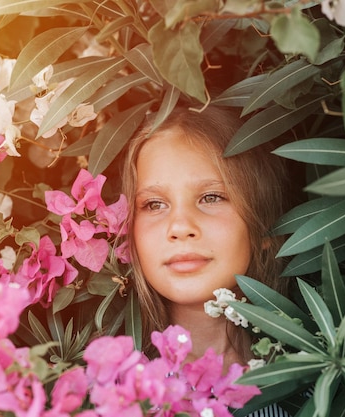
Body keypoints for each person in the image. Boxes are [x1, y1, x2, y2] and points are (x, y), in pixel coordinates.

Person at [121, 104, 294, 416]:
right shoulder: (109, 390)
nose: (180, 227)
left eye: (211, 197)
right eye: (154, 204)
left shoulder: (322, 383)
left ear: (265, 227)